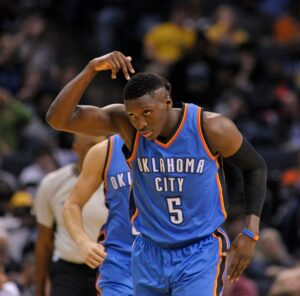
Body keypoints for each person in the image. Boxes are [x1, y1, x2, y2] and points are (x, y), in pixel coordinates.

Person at [46, 51, 267, 295]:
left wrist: (250, 232)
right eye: (133, 115)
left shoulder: (211, 127)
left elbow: (255, 166)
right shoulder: (127, 126)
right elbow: (58, 119)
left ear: (167, 103)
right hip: (148, 250)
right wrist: (90, 69)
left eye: (147, 112)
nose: (140, 123)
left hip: (199, 249)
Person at [34, 134, 108, 296]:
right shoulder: (52, 183)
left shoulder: (120, 181)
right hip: (69, 270)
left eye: (102, 146)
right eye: (91, 146)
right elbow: (44, 243)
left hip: (111, 268)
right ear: (76, 149)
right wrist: (38, 290)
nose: (98, 151)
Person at [62, 134, 135, 295]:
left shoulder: (181, 146)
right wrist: (82, 242)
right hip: (120, 262)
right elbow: (71, 204)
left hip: (169, 259)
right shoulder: (106, 150)